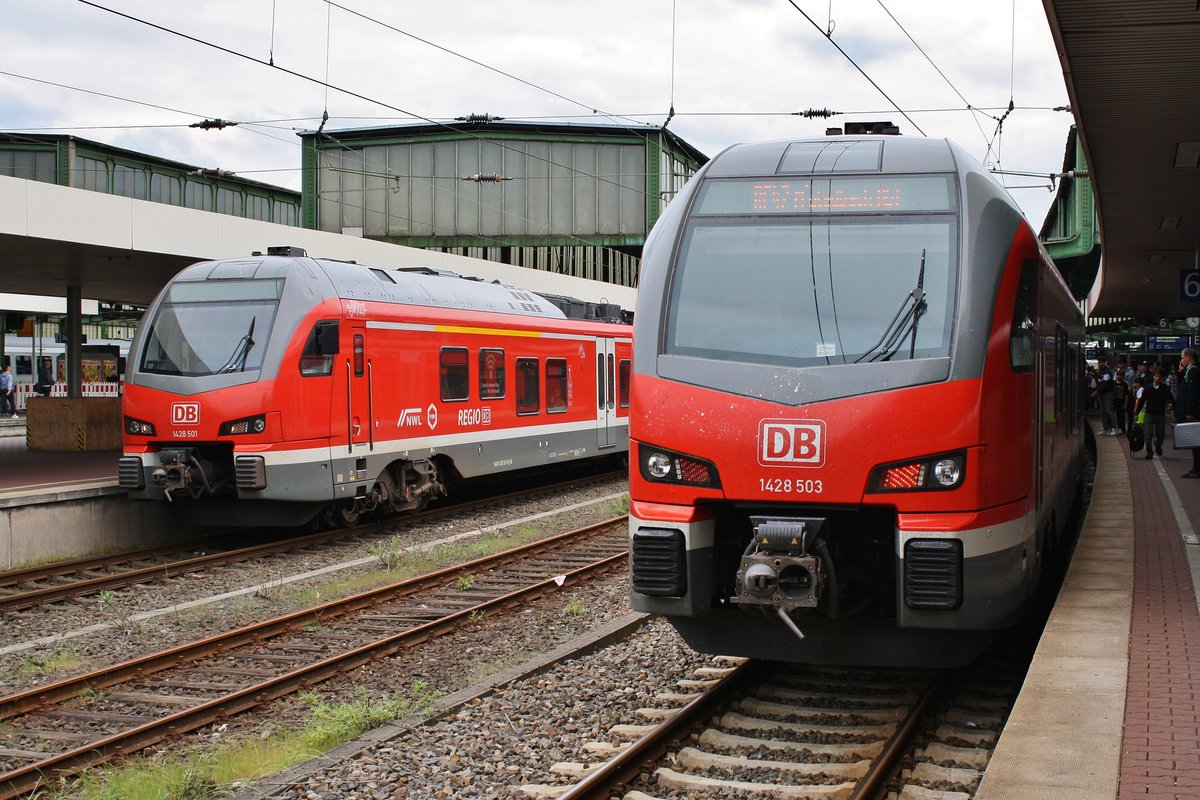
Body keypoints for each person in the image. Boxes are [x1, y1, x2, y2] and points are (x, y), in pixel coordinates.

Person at [1136, 370, 1174, 459]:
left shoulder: (1165, 388)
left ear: (1162, 378)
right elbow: (1142, 401)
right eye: (1156, 376)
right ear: (1153, 377)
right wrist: (1136, 413)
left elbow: (1170, 398)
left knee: (1161, 434)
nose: (1157, 378)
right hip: (1149, 415)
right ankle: (1149, 452)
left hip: (1160, 415)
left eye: (1159, 377)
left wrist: (1171, 404)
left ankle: (1158, 443)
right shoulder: (1148, 388)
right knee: (1148, 435)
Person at [1178, 348, 1200, 478]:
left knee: (1196, 442)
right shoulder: (1189, 370)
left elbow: (1192, 393)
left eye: (1182, 357)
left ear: (1188, 358)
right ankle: (1196, 468)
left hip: (1194, 413)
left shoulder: (1193, 370)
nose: (1181, 360)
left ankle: (1197, 469)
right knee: (1195, 442)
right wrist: (1181, 371)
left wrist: (1190, 412)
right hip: (1192, 411)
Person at [1095, 355, 1117, 435]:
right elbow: (1098, 382)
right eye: (1098, 362)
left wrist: (1096, 391)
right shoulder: (1099, 372)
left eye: (1100, 362)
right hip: (1101, 393)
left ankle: (1113, 428)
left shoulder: (1107, 372)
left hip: (1108, 393)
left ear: (1104, 363)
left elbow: (1105, 383)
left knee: (1109, 410)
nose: (1099, 364)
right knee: (1103, 412)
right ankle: (1106, 428)